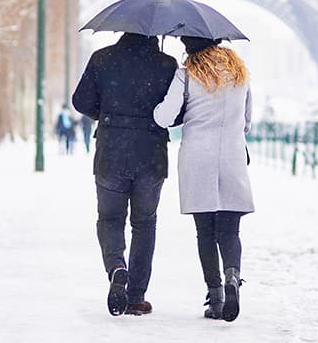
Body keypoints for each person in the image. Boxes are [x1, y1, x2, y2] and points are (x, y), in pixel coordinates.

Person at [72, 32, 178, 316]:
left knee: (109, 218)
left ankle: (116, 266)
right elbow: (176, 113)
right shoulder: (166, 64)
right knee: (144, 224)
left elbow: (80, 101)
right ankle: (135, 296)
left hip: (111, 152)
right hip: (151, 155)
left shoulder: (102, 58)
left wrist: (109, 114)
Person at [152, 36, 255, 323]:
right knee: (230, 231)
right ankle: (232, 276)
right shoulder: (240, 74)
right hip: (232, 157)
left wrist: (162, 106)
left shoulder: (186, 75)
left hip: (198, 158)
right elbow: (247, 122)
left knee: (205, 232)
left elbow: (164, 118)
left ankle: (216, 297)